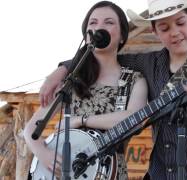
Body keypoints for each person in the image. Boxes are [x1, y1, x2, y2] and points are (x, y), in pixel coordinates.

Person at [39, 0, 187, 179]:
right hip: (160, 173)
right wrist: (60, 70)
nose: (174, 33)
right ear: (154, 31)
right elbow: (104, 57)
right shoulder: (148, 63)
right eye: (164, 28)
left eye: (180, 23)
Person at [23, 1, 148, 179]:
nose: (99, 28)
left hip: (110, 173)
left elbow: (135, 119)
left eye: (109, 22)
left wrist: (82, 120)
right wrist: (42, 154)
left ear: (122, 36)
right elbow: (30, 131)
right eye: (93, 23)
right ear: (86, 34)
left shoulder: (134, 80)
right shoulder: (72, 80)